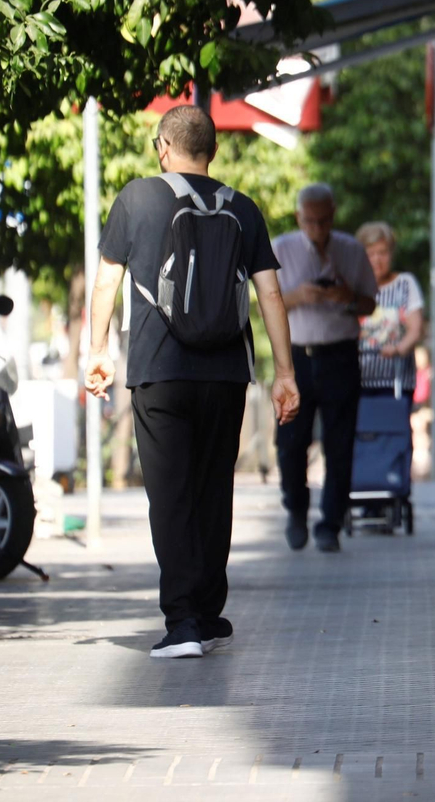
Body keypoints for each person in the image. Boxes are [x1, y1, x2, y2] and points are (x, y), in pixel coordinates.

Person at [85, 105, 300, 660]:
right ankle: (207, 613)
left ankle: (181, 622)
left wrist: (98, 351)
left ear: (163, 146)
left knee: (171, 496)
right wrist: (285, 373)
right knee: (212, 490)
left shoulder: (137, 198)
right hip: (227, 374)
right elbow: (269, 294)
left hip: (160, 373)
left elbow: (107, 279)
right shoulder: (244, 209)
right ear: (215, 150)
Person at [272, 184, 377, 553]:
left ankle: (330, 523)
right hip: (297, 356)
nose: (318, 228)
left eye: (325, 220)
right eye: (311, 221)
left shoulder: (350, 249)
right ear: (299, 217)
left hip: (340, 355)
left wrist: (346, 297)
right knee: (290, 441)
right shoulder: (280, 248)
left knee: (340, 441)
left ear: (333, 215)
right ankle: (296, 510)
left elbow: (369, 303)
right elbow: (265, 305)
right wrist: (299, 296)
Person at [356, 222, 424, 394]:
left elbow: (415, 330)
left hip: (396, 382)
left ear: (391, 254)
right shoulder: (353, 288)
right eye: (370, 254)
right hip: (356, 382)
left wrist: (398, 349)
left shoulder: (405, 284)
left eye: (382, 253)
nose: (376, 259)